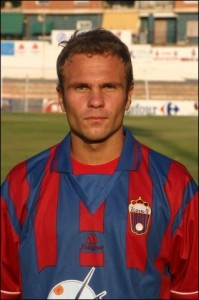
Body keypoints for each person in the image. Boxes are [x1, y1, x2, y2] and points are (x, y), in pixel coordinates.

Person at [1, 28, 198, 300]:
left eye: (109, 87)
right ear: (61, 97)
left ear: (128, 95)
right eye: (81, 87)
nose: (96, 101)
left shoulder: (174, 185)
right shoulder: (19, 186)